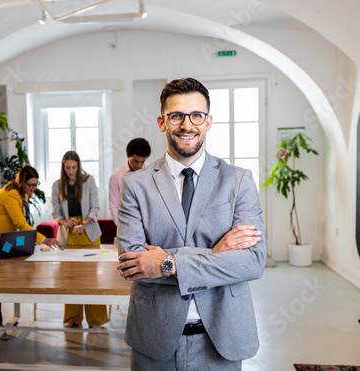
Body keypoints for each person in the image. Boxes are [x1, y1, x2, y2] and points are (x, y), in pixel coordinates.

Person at [116, 77, 266, 370]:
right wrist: (217, 253)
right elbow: (133, 264)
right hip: (153, 338)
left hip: (221, 338)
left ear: (208, 122)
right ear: (162, 122)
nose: (187, 125)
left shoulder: (238, 181)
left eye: (196, 115)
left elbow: (253, 262)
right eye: (176, 116)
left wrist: (166, 262)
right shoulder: (134, 185)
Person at [0, 166, 60, 339]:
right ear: (22, 182)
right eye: (30, 185)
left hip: (3, 240)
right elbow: (21, 224)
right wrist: (45, 239)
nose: (33, 189)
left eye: (36, 185)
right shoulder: (11, 195)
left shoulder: (19, 191)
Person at [51, 150, 109, 328]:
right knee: (71, 278)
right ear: (63, 167)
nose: (71, 171)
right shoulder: (57, 185)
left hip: (88, 232)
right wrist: (64, 222)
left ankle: (96, 320)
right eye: (67, 167)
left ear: (78, 166)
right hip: (68, 235)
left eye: (74, 167)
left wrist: (85, 222)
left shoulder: (88, 181)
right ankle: (72, 317)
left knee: (92, 278)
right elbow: (55, 213)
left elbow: (95, 207)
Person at [109, 137, 151, 224]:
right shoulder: (116, 176)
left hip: (148, 220)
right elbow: (114, 205)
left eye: (142, 161)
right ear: (128, 155)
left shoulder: (150, 171)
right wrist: (120, 226)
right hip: (127, 221)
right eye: (136, 161)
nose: (139, 165)